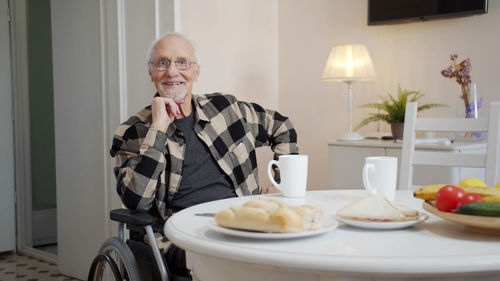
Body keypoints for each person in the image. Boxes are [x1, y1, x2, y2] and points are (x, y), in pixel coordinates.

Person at [109, 33, 298, 280]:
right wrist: (157, 129)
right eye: (162, 63)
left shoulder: (227, 109)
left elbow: (283, 128)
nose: (172, 72)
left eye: (183, 62)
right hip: (180, 234)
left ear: (196, 73)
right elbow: (137, 201)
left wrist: (279, 184)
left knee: (297, 243)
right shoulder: (132, 132)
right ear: (151, 73)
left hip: (243, 219)